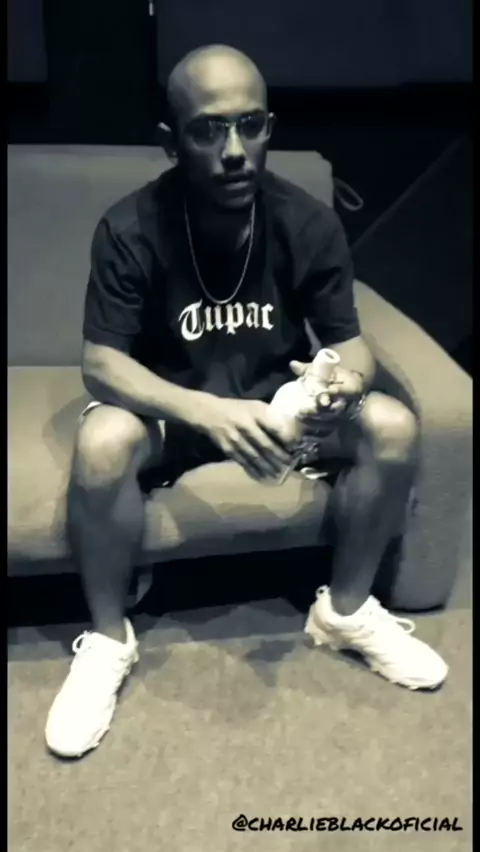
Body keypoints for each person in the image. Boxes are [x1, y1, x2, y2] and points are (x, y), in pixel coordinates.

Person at [45, 44, 447, 759]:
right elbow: (101, 364)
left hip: (278, 411)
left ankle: (345, 612)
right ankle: (108, 641)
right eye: (208, 129)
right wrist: (207, 411)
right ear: (171, 141)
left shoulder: (306, 222)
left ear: (269, 128)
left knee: (392, 425)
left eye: (250, 125)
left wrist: (343, 385)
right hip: (173, 413)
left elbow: (351, 345)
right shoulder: (130, 227)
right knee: (102, 443)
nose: (234, 150)